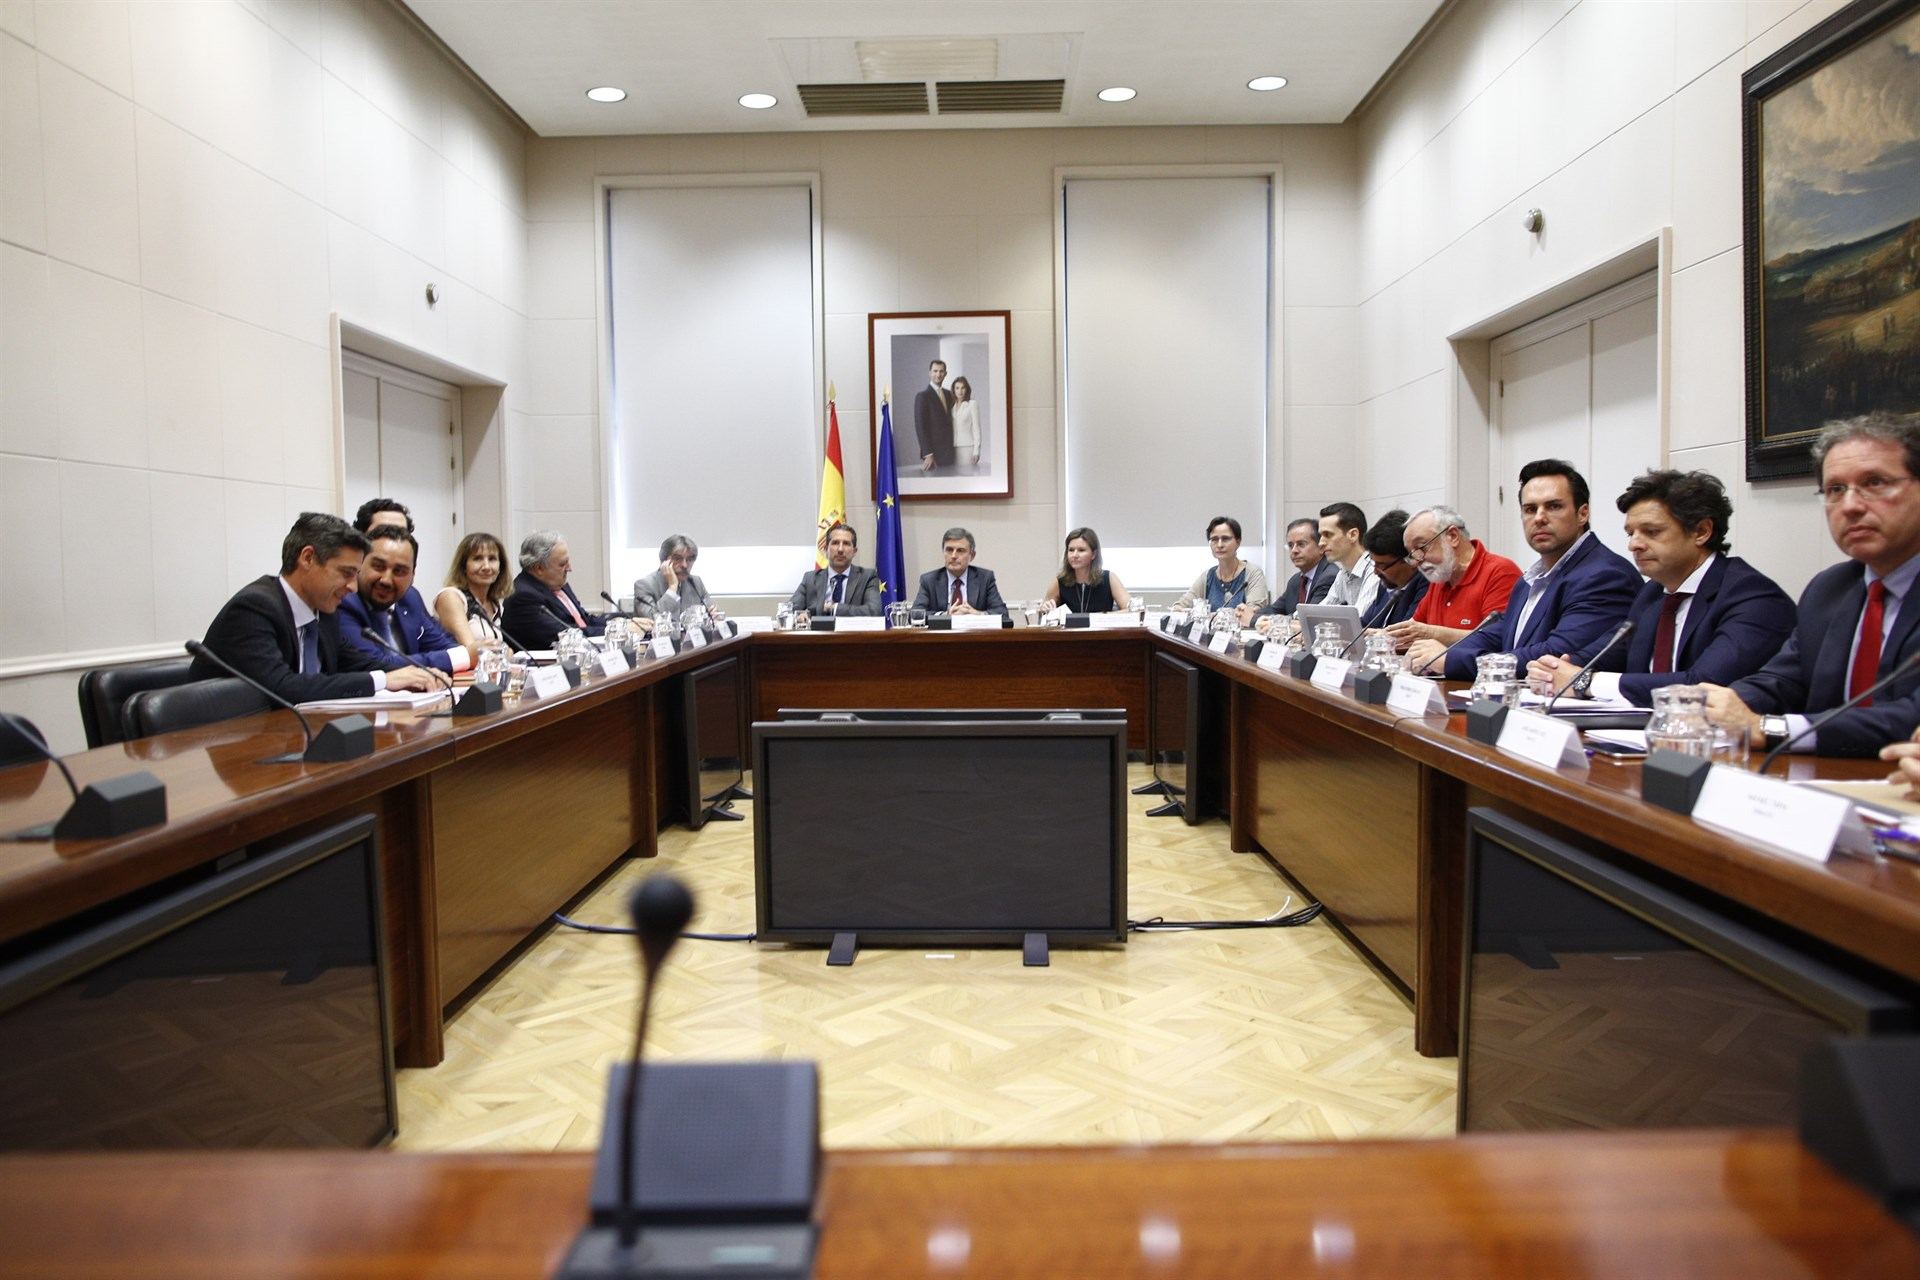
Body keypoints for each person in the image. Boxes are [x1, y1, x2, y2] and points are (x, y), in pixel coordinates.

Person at [1704, 413, 1920, 757]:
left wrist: (1770, 727)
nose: (1850, 506)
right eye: (1835, 489)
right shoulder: (1830, 588)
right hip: (1825, 781)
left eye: (1875, 482)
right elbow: (1784, 680)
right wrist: (1717, 706)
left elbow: (1911, 716)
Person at [1527, 471, 1795, 705]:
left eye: (1651, 532)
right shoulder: (1654, 593)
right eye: (1630, 533)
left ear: (1701, 531)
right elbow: (1603, 653)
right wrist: (1555, 667)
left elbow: (1702, 686)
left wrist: (1587, 681)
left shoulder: (1753, 597)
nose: (1634, 544)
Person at [1417, 459, 1640, 680]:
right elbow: (1500, 634)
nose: (1540, 518)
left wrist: (1452, 661)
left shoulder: (1604, 575)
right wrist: (1443, 654)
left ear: (1583, 514)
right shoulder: (1530, 579)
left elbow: (1554, 656)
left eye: (1554, 506)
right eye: (1530, 509)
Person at [191, 512, 439, 701]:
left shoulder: (323, 612)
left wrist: (420, 673)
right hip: (217, 747)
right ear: (307, 558)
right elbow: (282, 686)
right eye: (346, 573)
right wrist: (384, 680)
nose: (353, 587)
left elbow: (355, 661)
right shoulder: (254, 609)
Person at [1387, 506, 1522, 663]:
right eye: (1412, 554)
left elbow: (1497, 639)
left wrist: (1432, 634)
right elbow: (1414, 629)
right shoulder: (1440, 578)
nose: (1417, 562)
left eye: (1421, 547)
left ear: (1452, 536)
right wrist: (1381, 636)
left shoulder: (1501, 572)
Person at [337, 525, 473, 675]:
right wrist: (463, 656)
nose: (386, 580)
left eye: (399, 571)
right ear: (360, 564)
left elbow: (443, 644)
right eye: (378, 566)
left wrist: (469, 653)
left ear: (413, 576)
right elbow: (375, 663)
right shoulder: (343, 600)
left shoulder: (409, 598)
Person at [503, 530, 605, 648]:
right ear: (539, 568)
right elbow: (564, 635)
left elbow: (585, 620)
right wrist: (611, 632)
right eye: (563, 564)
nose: (569, 568)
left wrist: (622, 624)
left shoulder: (558, 584)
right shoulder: (523, 596)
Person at [1248, 518, 1334, 629]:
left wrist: (1253, 619)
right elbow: (1275, 610)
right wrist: (1252, 613)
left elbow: (1308, 620)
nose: (1294, 550)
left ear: (1321, 547)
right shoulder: (1296, 580)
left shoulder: (1329, 577)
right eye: (1290, 545)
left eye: (1301, 544)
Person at [434, 531, 515, 649]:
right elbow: (471, 650)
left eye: (492, 559)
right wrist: (503, 651)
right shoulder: (450, 597)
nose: (486, 566)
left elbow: (505, 651)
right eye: (478, 559)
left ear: (500, 567)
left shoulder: (494, 604)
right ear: (463, 566)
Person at [1174, 516, 1270, 613]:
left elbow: (1254, 612)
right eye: (1214, 539)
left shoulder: (1253, 573)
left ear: (1238, 542)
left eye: (1225, 539)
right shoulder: (1208, 576)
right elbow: (1179, 607)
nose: (1219, 545)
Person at [788, 522, 882, 620]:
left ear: (854, 551)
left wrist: (835, 608)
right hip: (820, 635)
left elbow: (874, 611)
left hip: (853, 634)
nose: (840, 549)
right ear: (825, 550)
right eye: (835, 543)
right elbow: (788, 610)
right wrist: (800, 615)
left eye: (846, 543)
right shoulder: (810, 578)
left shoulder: (867, 577)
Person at [912, 527, 1009, 617]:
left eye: (960, 550)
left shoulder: (985, 578)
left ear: (972, 555)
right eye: (949, 550)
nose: (953, 555)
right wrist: (945, 615)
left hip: (974, 634)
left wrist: (977, 615)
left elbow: (1002, 614)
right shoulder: (929, 580)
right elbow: (915, 614)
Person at [1358, 509, 1428, 630]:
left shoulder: (1427, 584)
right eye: (1374, 563)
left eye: (1382, 565)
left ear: (1411, 559)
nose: (1375, 572)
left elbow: (1407, 633)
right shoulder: (1388, 582)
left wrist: (1376, 636)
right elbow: (1366, 623)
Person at [1044, 527, 1130, 613]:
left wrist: (1103, 617)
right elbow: (1046, 613)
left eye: (1081, 550)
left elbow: (1131, 610)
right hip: (1070, 627)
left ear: (1093, 554)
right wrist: (1045, 608)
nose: (1075, 555)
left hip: (1101, 626)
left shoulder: (1109, 578)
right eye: (1071, 550)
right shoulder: (1059, 581)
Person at [1317, 502, 1380, 618]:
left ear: (1353, 535)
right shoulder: (1343, 572)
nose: (1321, 543)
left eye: (1328, 535)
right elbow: (1319, 613)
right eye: (1320, 535)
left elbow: (1357, 620)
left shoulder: (1375, 569)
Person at [632, 535, 711, 617]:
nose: (685, 565)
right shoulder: (644, 585)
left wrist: (713, 617)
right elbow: (651, 620)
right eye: (677, 559)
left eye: (689, 559)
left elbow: (711, 614)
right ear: (664, 561)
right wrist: (672, 588)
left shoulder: (696, 582)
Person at [914, 358, 954, 474]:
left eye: (941, 371)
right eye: (935, 371)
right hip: (934, 455)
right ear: (929, 373)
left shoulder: (949, 394)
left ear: (945, 374)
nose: (938, 374)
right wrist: (928, 454)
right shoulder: (922, 396)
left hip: (950, 452)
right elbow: (920, 427)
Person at [949, 375, 981, 472]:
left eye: (963, 388)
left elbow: (976, 429)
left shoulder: (972, 404)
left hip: (967, 448)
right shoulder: (952, 407)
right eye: (957, 388)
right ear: (954, 390)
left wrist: (976, 451)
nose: (960, 391)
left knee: (967, 475)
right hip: (953, 448)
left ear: (967, 389)